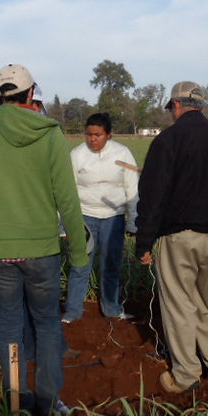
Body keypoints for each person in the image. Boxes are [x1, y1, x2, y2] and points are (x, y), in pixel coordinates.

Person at [0, 64, 88, 416]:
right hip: (41, 250)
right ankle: (48, 403)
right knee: (46, 324)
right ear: (31, 95)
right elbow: (68, 200)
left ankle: (16, 402)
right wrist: (78, 253)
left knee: (10, 325)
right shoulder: (50, 135)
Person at [135, 81, 208, 393]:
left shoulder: (168, 140)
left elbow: (152, 196)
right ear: (202, 107)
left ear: (176, 106)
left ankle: (186, 375)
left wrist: (144, 241)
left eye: (171, 108)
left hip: (179, 236)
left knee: (179, 305)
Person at [64, 112, 139, 322]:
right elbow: (66, 190)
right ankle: (72, 312)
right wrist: (65, 224)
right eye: (89, 134)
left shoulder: (123, 154)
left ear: (109, 135)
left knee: (111, 264)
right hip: (84, 217)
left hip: (113, 218)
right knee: (80, 264)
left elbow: (132, 189)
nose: (92, 139)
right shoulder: (77, 155)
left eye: (98, 135)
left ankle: (112, 309)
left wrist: (133, 222)